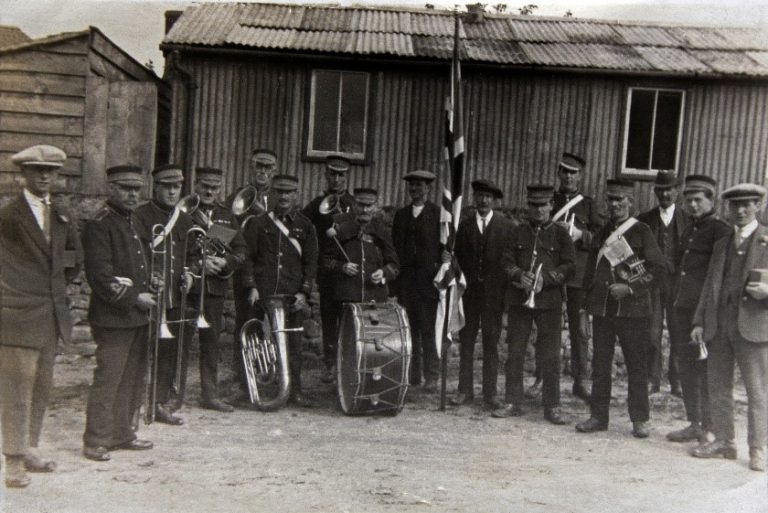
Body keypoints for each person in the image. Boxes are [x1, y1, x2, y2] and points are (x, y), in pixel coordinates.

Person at [0, 145, 82, 488]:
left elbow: (74, 258)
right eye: (36, 170)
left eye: (50, 171)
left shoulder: (61, 215)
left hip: (50, 316)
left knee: (41, 388)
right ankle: (13, 462)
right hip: (17, 316)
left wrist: (57, 290)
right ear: (25, 174)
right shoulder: (8, 216)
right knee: (16, 390)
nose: (44, 176)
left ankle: (30, 448)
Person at [575, 178, 665, 438]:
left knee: (636, 366)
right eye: (611, 199)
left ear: (630, 202)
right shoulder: (603, 233)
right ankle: (598, 416)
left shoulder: (642, 231)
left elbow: (658, 270)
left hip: (634, 312)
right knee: (600, 366)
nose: (615, 204)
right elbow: (590, 274)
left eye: (620, 199)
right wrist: (583, 310)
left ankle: (640, 419)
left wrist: (631, 289)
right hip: (603, 310)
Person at [690, 183, 768, 472]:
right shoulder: (722, 243)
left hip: (754, 327)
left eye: (747, 204)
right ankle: (724, 440)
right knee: (718, 386)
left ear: (758, 206)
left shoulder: (767, 240)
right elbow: (709, 285)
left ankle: (758, 449)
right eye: (735, 205)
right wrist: (699, 321)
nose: (741, 210)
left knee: (757, 391)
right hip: (719, 326)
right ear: (728, 208)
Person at [82, 165, 155, 462]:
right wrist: (135, 296)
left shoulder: (133, 220)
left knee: (132, 378)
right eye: (126, 188)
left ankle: (123, 433)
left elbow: (139, 263)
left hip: (136, 316)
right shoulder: (100, 224)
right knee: (109, 378)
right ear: (111, 188)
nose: (132, 194)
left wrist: (152, 280)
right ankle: (96, 440)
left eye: (136, 189)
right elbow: (100, 277)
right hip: (113, 318)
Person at [494, 185, 574, 423]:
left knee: (550, 355)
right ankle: (512, 401)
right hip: (520, 299)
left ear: (551, 206)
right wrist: (519, 275)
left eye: (544, 205)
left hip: (549, 301)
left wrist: (546, 279)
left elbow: (570, 266)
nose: (539, 210)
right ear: (528, 206)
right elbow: (506, 261)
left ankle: (552, 406)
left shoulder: (561, 234)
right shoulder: (517, 232)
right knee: (515, 352)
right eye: (534, 205)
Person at [242, 174, 318, 407]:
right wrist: (251, 286)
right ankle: (251, 389)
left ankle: (294, 391)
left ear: (296, 195)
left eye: (289, 192)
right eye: (279, 192)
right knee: (255, 341)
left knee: (293, 344)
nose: (284, 196)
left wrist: (303, 292)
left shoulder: (305, 226)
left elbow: (311, 263)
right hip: (263, 294)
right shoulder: (258, 223)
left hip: (291, 295)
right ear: (272, 194)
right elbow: (247, 258)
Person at [666, 175, 730, 443]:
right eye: (688, 200)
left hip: (702, 314)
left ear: (710, 201)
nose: (692, 205)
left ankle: (710, 426)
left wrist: (703, 316)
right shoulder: (691, 228)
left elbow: (718, 278)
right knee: (687, 368)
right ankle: (694, 423)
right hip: (681, 309)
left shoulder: (721, 230)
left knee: (705, 370)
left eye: (698, 200)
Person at [132, 164, 196, 425]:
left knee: (168, 352)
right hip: (147, 296)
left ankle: (158, 403)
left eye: (176, 187)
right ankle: (135, 404)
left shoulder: (185, 219)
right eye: (167, 187)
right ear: (155, 187)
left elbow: (192, 253)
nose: (172, 192)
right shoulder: (140, 216)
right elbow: (134, 253)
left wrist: (191, 272)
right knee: (138, 353)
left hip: (173, 296)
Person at [450, 179, 512, 409]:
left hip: (493, 297)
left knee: (491, 344)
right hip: (470, 296)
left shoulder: (506, 227)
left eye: (488, 197)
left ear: (494, 201)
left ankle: (490, 394)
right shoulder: (464, 226)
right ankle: (464, 390)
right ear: (474, 199)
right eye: (480, 196)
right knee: (466, 343)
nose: (483, 201)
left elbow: (508, 262)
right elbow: (456, 259)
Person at [191, 167, 247, 412]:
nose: (210, 191)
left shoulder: (226, 215)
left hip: (214, 289)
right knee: (180, 341)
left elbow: (241, 250)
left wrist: (226, 262)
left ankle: (209, 394)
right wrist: (198, 264)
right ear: (196, 185)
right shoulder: (185, 211)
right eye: (205, 186)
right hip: (188, 286)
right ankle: (171, 394)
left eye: (215, 187)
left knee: (211, 342)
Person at [551, 152, 604, 401]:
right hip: (552, 273)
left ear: (580, 176)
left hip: (578, 276)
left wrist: (580, 234)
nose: (569, 176)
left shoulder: (589, 205)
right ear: (558, 173)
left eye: (574, 173)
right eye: (565, 171)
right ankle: (543, 378)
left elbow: (602, 238)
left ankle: (581, 380)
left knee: (579, 329)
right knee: (546, 328)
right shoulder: (549, 200)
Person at [301, 156, 355, 383]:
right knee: (329, 319)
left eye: (341, 175)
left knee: (349, 320)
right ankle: (330, 365)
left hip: (350, 272)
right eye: (332, 174)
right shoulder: (316, 205)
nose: (337, 179)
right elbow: (301, 227)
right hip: (328, 272)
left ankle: (349, 364)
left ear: (346, 177)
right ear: (326, 175)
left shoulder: (354, 203)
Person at [228, 149, 276, 399]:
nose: (263, 172)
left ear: (274, 170)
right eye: (259, 166)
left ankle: (272, 376)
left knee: (276, 324)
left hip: (271, 271)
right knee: (245, 322)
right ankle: (242, 378)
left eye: (268, 168)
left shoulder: (280, 198)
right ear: (252, 167)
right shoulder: (238, 196)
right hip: (246, 269)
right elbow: (223, 226)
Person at [638, 172, 689, 396]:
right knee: (652, 331)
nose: (665, 194)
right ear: (655, 191)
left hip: (678, 284)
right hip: (654, 284)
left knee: (679, 332)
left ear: (677, 190)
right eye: (661, 189)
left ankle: (677, 380)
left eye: (669, 189)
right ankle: (652, 378)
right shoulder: (645, 219)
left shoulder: (688, 219)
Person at [391, 170, 443, 392]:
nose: (415, 190)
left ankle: (432, 375)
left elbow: (444, 248)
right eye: (411, 186)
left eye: (419, 185)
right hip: (406, 283)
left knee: (428, 330)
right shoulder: (401, 215)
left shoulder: (438, 214)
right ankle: (412, 374)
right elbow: (394, 249)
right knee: (409, 330)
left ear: (428, 188)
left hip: (428, 283)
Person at [322, 187, 399, 333]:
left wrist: (383, 273)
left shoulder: (382, 232)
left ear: (375, 207)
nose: (364, 210)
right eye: (360, 205)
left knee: (371, 342)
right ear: (354, 205)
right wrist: (342, 267)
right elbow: (326, 261)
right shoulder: (341, 230)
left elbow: (395, 265)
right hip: (346, 298)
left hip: (374, 298)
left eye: (369, 206)